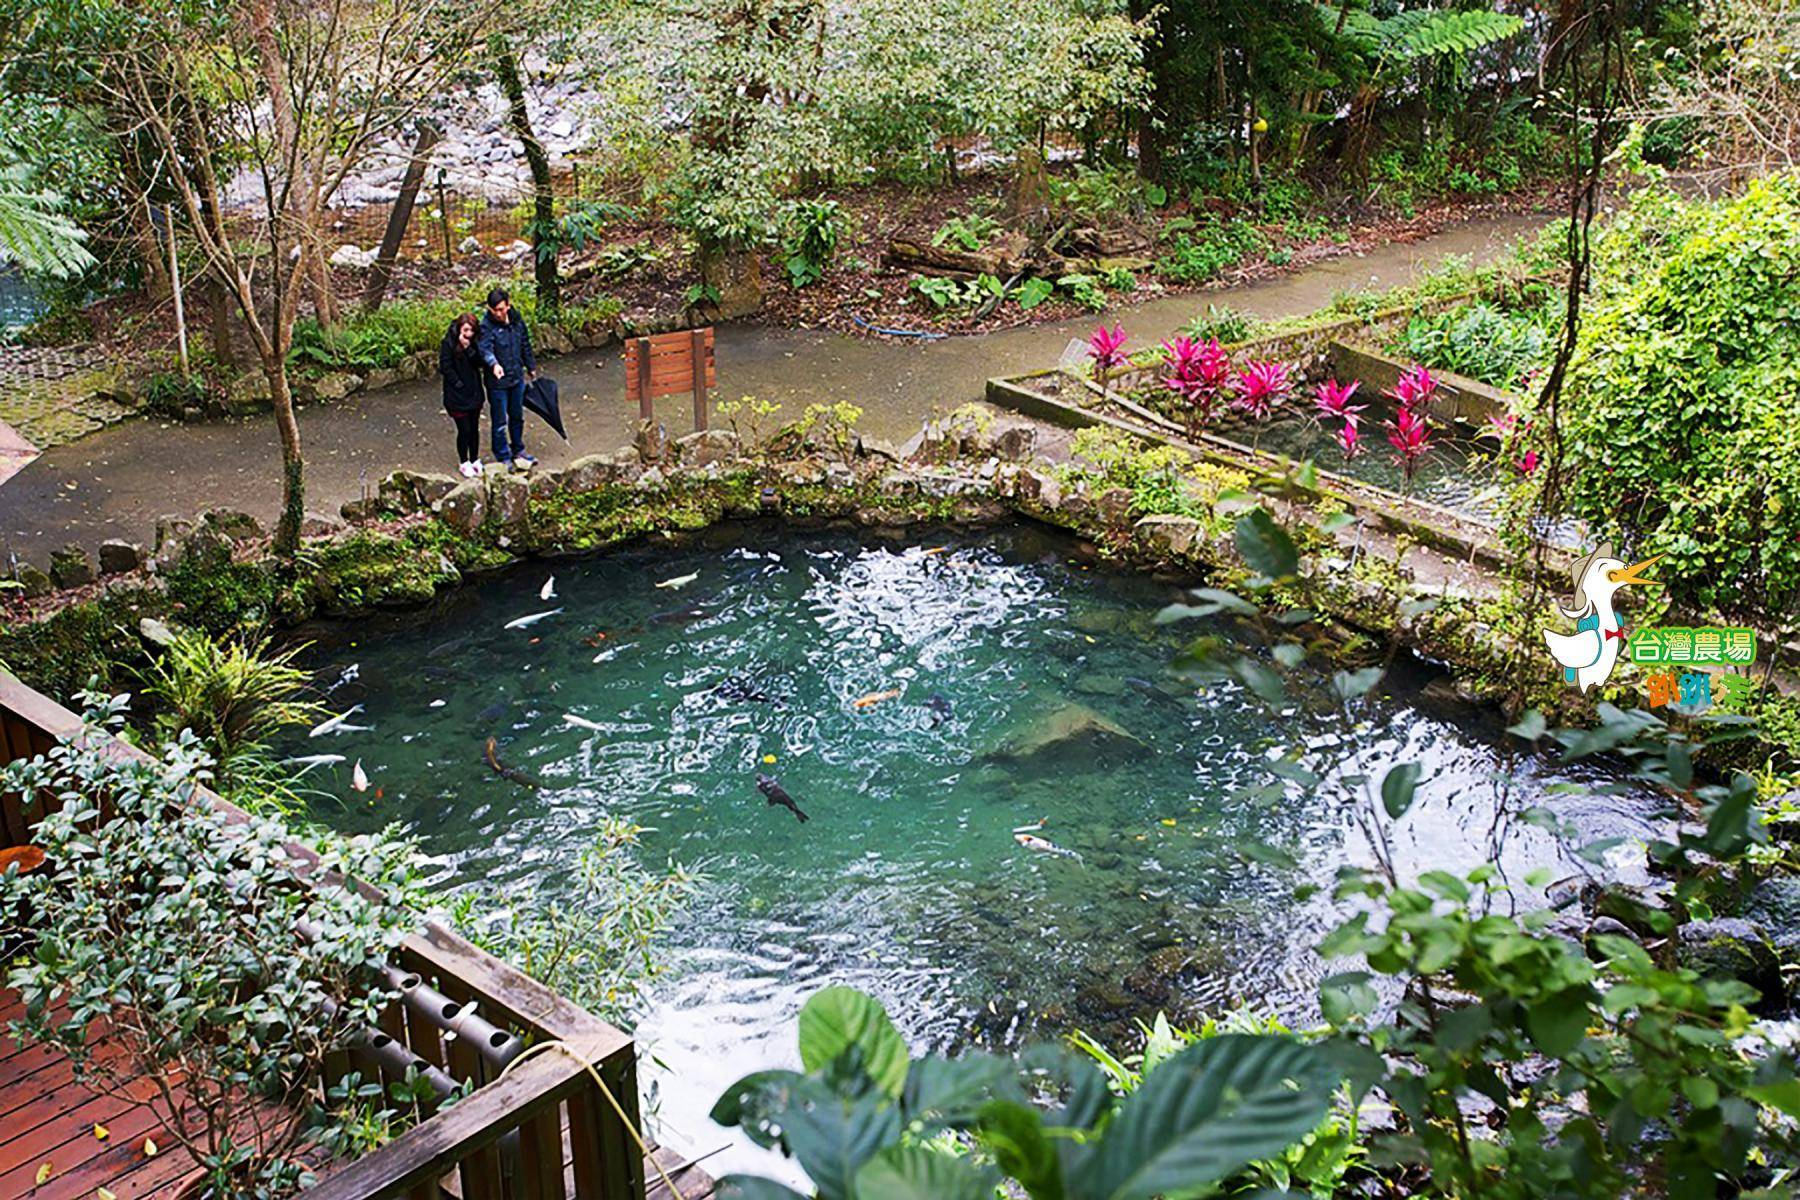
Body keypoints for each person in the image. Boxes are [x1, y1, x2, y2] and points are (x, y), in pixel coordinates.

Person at [477, 286, 538, 471]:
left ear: (508, 306)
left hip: (516, 377)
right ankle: (503, 456)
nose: (499, 313)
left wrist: (531, 366)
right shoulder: (486, 327)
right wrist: (494, 364)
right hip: (497, 383)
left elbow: (525, 344)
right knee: (499, 421)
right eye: (495, 310)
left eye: (502, 309)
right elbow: (485, 349)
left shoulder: (517, 322)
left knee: (517, 416)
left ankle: (518, 449)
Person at [439, 313, 486, 477]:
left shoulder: (474, 342)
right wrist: (457, 384)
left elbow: (480, 362)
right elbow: (445, 366)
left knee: (474, 428)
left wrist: (468, 348)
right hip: (457, 394)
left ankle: (475, 459)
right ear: (459, 328)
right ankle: (464, 460)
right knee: (464, 429)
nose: (469, 334)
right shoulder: (448, 343)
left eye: (471, 331)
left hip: (474, 391)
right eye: (466, 330)